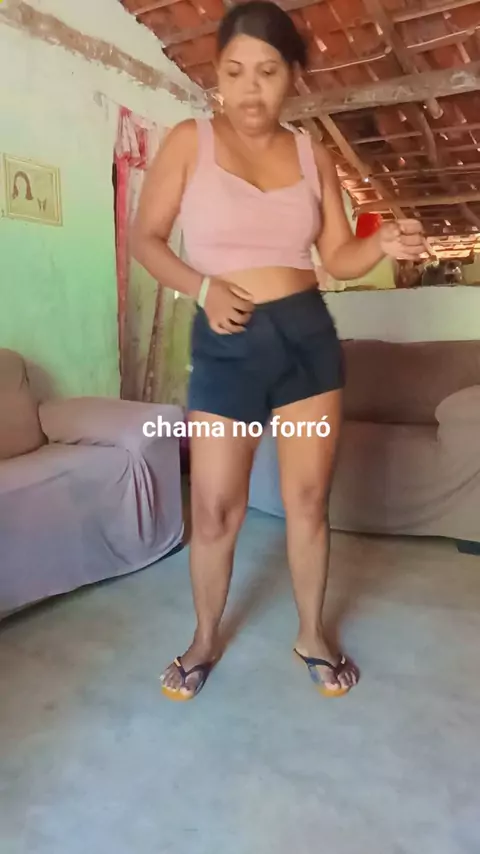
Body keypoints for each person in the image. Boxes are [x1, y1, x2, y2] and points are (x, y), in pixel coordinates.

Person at [132, 0, 425, 701]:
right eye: (234, 71)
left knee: (308, 500)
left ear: (293, 75)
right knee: (214, 507)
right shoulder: (190, 141)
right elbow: (145, 239)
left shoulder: (311, 154)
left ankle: (312, 634)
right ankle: (205, 638)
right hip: (226, 345)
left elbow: (338, 256)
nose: (249, 88)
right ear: (217, 74)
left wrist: (380, 244)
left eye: (267, 71)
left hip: (306, 344)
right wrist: (203, 288)